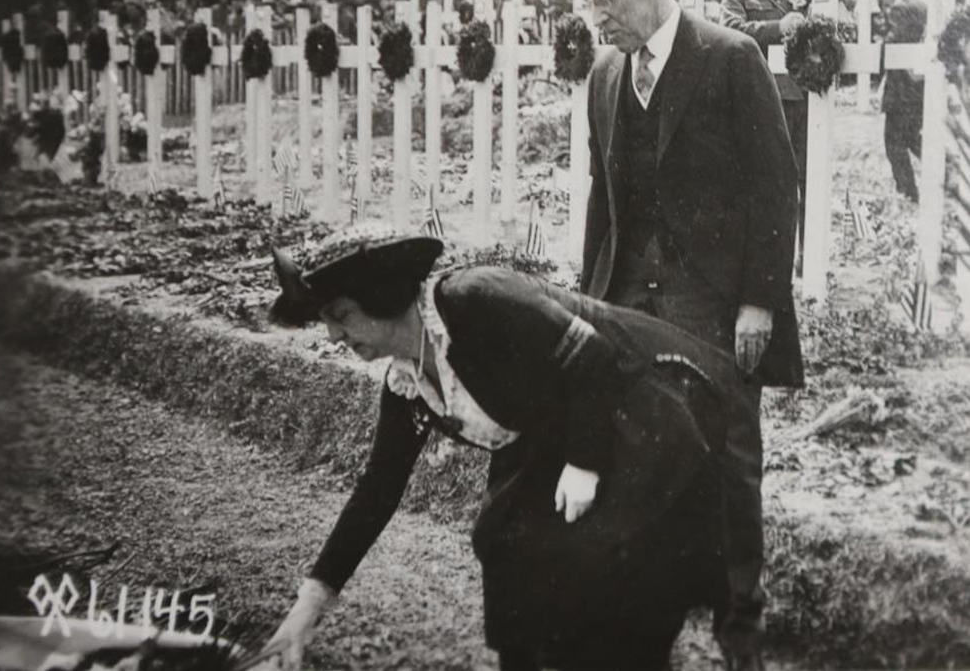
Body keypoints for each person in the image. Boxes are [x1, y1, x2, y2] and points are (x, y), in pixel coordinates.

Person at [263, 222, 752, 671]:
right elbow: (377, 491)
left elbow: (592, 355)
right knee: (505, 543)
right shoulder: (407, 383)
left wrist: (584, 464)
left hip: (649, 416)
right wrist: (307, 608)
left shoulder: (474, 298)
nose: (332, 334)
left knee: (608, 580)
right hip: (570, 428)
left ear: (382, 294)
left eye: (340, 314)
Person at [573, 0, 804, 671]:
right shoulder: (605, 75)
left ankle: (742, 637)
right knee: (638, 461)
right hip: (631, 306)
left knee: (731, 465)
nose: (596, 17)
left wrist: (759, 303)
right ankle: (649, 636)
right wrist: (589, 309)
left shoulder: (730, 58)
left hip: (715, 307)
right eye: (587, 5)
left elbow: (774, 190)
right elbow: (601, 206)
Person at [720, 0, 811, 237]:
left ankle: (803, 253)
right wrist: (779, 27)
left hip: (800, 98)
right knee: (766, 179)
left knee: (806, 178)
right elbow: (731, 32)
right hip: (762, 99)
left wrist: (811, 7)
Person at [873, 0, 927, 202]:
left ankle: (907, 192)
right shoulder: (922, 5)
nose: (881, 0)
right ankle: (949, 171)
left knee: (894, 142)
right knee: (913, 138)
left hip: (902, 89)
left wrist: (878, 52)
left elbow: (892, 47)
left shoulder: (900, 8)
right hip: (919, 86)